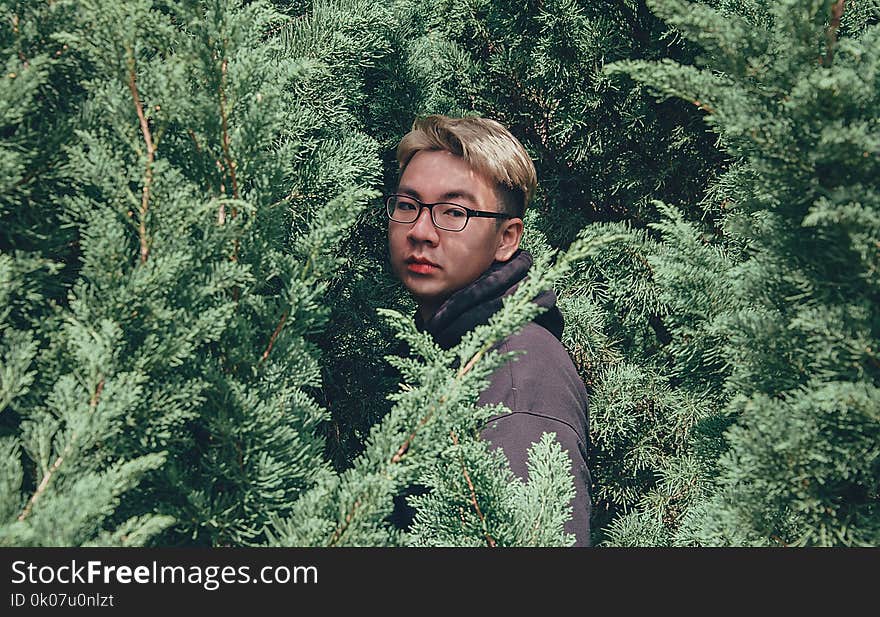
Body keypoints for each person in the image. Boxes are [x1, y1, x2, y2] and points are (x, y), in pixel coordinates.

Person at [386, 114, 591, 547]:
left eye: (453, 212)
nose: (421, 231)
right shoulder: (451, 348)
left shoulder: (519, 372)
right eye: (408, 206)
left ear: (507, 238)